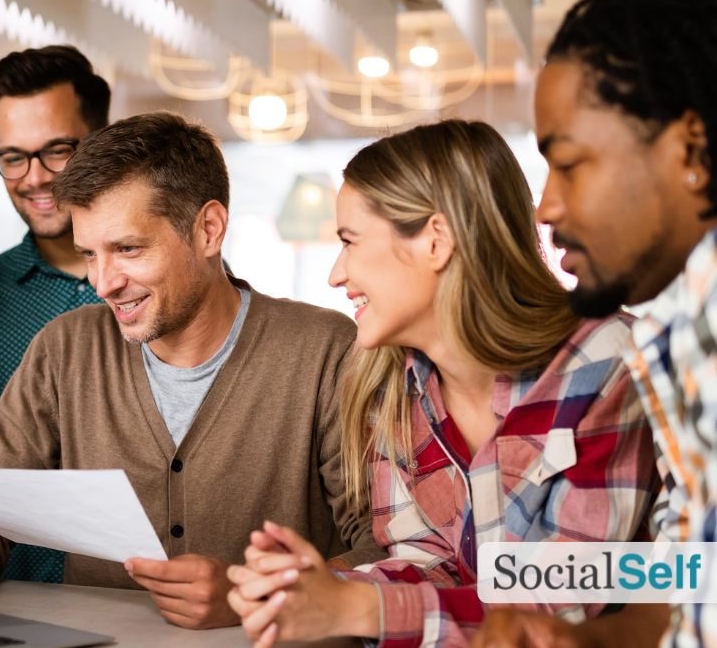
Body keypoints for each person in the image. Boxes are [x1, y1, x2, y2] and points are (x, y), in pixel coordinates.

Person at [0, 111, 383, 630]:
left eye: (128, 249)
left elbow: (385, 545)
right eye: (89, 254)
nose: (104, 282)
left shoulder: (325, 351)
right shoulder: (64, 349)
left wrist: (252, 593)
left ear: (208, 229)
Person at [224, 120, 659, 648]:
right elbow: (429, 561)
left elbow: (562, 599)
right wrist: (309, 590)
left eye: (349, 241)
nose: (336, 275)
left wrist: (357, 607)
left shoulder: (605, 363)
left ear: (435, 241)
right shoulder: (389, 388)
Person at [470, 0, 717, 648]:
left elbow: (580, 571)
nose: (546, 206)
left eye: (570, 164)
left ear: (692, 150)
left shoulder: (627, 348)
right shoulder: (679, 333)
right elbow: (692, 585)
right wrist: (588, 643)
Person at [0, 45, 110, 583]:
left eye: (58, 150)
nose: (36, 177)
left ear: (102, 141)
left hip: (145, 596)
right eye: (13, 156)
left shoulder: (177, 282)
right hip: (9, 592)